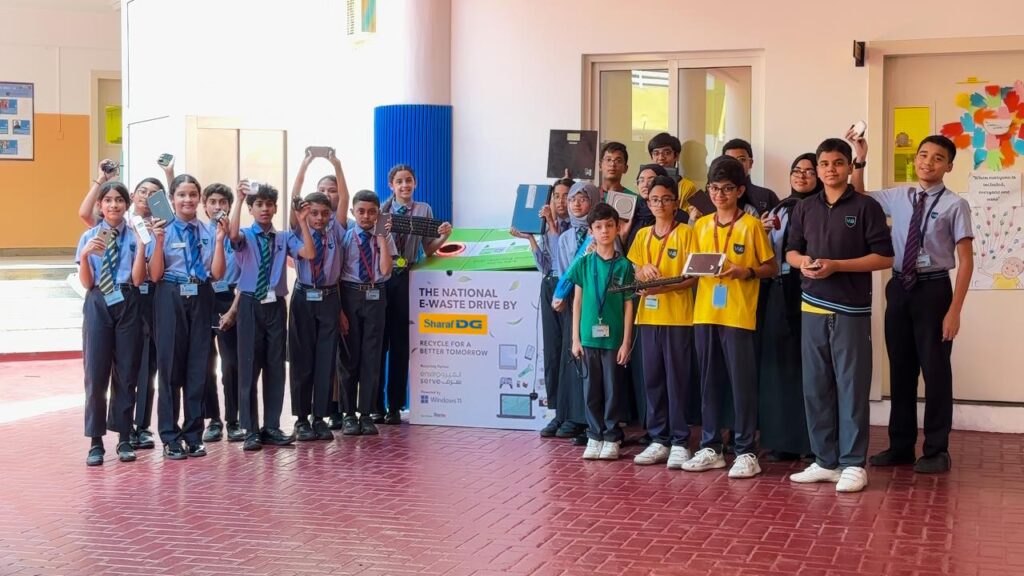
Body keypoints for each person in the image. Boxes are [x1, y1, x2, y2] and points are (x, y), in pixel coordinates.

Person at [848, 133, 974, 474]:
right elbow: (858, 195)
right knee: (901, 370)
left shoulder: (955, 205)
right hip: (900, 288)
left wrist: (954, 311)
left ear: (949, 166)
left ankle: (936, 450)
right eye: (923, 155)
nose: (928, 162)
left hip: (934, 291)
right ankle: (901, 446)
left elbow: (966, 260)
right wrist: (860, 158)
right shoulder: (900, 195)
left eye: (937, 157)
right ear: (915, 159)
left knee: (935, 371)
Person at [785, 138, 894, 493]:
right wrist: (803, 263)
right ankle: (825, 461)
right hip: (811, 306)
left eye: (837, 163)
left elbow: (884, 257)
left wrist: (837, 266)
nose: (830, 169)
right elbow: (791, 252)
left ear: (849, 166)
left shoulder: (866, 206)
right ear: (817, 169)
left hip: (851, 309)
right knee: (815, 387)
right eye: (824, 164)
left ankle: (853, 463)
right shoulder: (804, 208)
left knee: (851, 386)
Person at [681, 156, 777, 479]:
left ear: (739, 190)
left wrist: (744, 271)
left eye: (726, 189)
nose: (719, 195)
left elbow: (771, 267)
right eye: (713, 188)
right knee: (708, 381)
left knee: (742, 383)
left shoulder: (751, 225)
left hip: (738, 315)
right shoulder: (701, 226)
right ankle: (711, 446)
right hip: (705, 313)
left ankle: (746, 450)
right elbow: (693, 268)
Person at [229, 180, 314, 451]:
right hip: (250, 304)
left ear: (276, 208)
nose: (264, 209)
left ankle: (272, 426)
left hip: (276, 304)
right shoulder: (245, 235)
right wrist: (238, 199)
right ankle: (250, 429)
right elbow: (232, 235)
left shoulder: (284, 238)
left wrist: (302, 221)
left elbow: (309, 253)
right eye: (259, 205)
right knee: (249, 365)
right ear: (251, 209)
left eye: (269, 205)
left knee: (276, 366)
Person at [149, 174, 227, 460]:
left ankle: (193, 434)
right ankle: (170, 436)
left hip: (201, 294)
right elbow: (154, 275)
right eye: (181, 195)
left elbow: (217, 273)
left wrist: (220, 240)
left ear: (200, 199)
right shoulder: (162, 229)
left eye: (193, 194)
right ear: (172, 199)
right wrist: (158, 241)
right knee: (170, 366)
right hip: (170, 294)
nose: (187, 200)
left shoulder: (208, 230)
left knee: (198, 367)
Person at [76, 182, 152, 465]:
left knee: (127, 372)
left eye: (119, 200)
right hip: (98, 301)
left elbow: (138, 279)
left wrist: (142, 247)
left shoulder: (134, 235)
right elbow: (87, 283)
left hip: (128, 299)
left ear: (126, 205)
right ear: (100, 205)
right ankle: (95, 441)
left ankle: (124, 437)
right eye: (107, 200)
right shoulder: (89, 236)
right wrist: (86, 256)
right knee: (96, 373)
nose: (113, 205)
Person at [627, 176, 698, 468]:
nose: (660, 204)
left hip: (678, 318)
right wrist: (642, 269)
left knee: (677, 380)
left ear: (676, 203)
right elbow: (634, 271)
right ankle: (659, 439)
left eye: (666, 199)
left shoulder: (687, 233)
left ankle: (680, 441)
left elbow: (693, 277)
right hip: (648, 317)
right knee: (653, 379)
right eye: (654, 199)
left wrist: (662, 288)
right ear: (648, 202)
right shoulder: (642, 235)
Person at [756, 153, 820, 461]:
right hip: (777, 292)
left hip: (808, 291)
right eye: (797, 170)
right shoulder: (779, 207)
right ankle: (782, 440)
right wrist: (760, 231)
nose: (801, 176)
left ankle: (811, 442)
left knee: (809, 367)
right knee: (778, 366)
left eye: (809, 171)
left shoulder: (822, 208)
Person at [377, 165, 452, 424]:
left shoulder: (424, 210)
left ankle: (395, 406)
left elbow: (428, 250)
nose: (404, 185)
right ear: (391, 185)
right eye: (399, 181)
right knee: (379, 344)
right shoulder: (381, 211)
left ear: (415, 183)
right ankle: (375, 405)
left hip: (407, 276)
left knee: (400, 344)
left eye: (408, 180)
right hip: (382, 278)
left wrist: (444, 237)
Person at [568, 202, 635, 460]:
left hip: (614, 339)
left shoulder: (624, 266)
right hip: (587, 337)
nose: (604, 231)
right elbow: (577, 302)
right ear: (591, 231)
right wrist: (575, 339)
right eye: (598, 227)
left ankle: (611, 436)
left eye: (609, 226)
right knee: (591, 389)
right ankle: (594, 435)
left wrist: (626, 342)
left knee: (613, 389)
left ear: (618, 228)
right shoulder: (584, 264)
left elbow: (628, 305)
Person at [508, 178, 572, 437]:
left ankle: (572, 413)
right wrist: (531, 239)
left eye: (566, 196)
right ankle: (556, 411)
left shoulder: (577, 227)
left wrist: (553, 227)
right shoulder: (546, 227)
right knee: (552, 350)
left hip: (570, 289)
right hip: (549, 287)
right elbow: (546, 266)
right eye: (556, 196)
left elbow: (564, 262)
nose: (561, 201)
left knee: (571, 351)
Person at [288, 192, 347, 441]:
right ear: (306, 213)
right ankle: (302, 418)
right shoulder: (296, 233)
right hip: (304, 296)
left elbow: (343, 197)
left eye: (324, 213)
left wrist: (340, 310)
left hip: (329, 297)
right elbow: (308, 253)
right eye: (314, 213)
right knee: (301, 359)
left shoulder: (336, 233)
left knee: (326, 359)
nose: (319, 218)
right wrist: (302, 220)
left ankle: (320, 417)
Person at [338, 190, 398, 435]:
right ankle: (348, 414)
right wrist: (340, 310)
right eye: (361, 211)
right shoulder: (345, 237)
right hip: (350, 294)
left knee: (372, 356)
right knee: (348, 358)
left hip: (376, 295)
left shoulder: (385, 236)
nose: (366, 216)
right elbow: (336, 274)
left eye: (372, 212)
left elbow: (386, 270)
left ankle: (366, 413)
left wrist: (381, 237)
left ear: (378, 214)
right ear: (353, 212)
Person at [551, 182, 601, 443]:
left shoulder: (601, 231)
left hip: (597, 302)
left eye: (582, 199)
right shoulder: (566, 237)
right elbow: (563, 272)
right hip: (573, 302)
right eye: (572, 200)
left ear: (593, 201)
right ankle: (572, 415)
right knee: (573, 357)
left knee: (593, 360)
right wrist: (561, 294)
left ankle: (591, 421)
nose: (576, 204)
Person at [200, 183, 243, 443]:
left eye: (223, 202)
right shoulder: (198, 232)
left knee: (232, 365)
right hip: (204, 298)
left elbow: (247, 273)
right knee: (205, 364)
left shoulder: (238, 235)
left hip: (230, 299)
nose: (218, 207)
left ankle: (233, 420)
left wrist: (234, 309)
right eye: (212, 202)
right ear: (204, 206)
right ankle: (213, 420)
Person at [647, 132, 699, 205]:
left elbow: (703, 210)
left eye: (666, 153)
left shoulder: (688, 187)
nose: (661, 158)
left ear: (676, 156)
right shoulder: (646, 183)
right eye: (656, 153)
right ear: (651, 157)